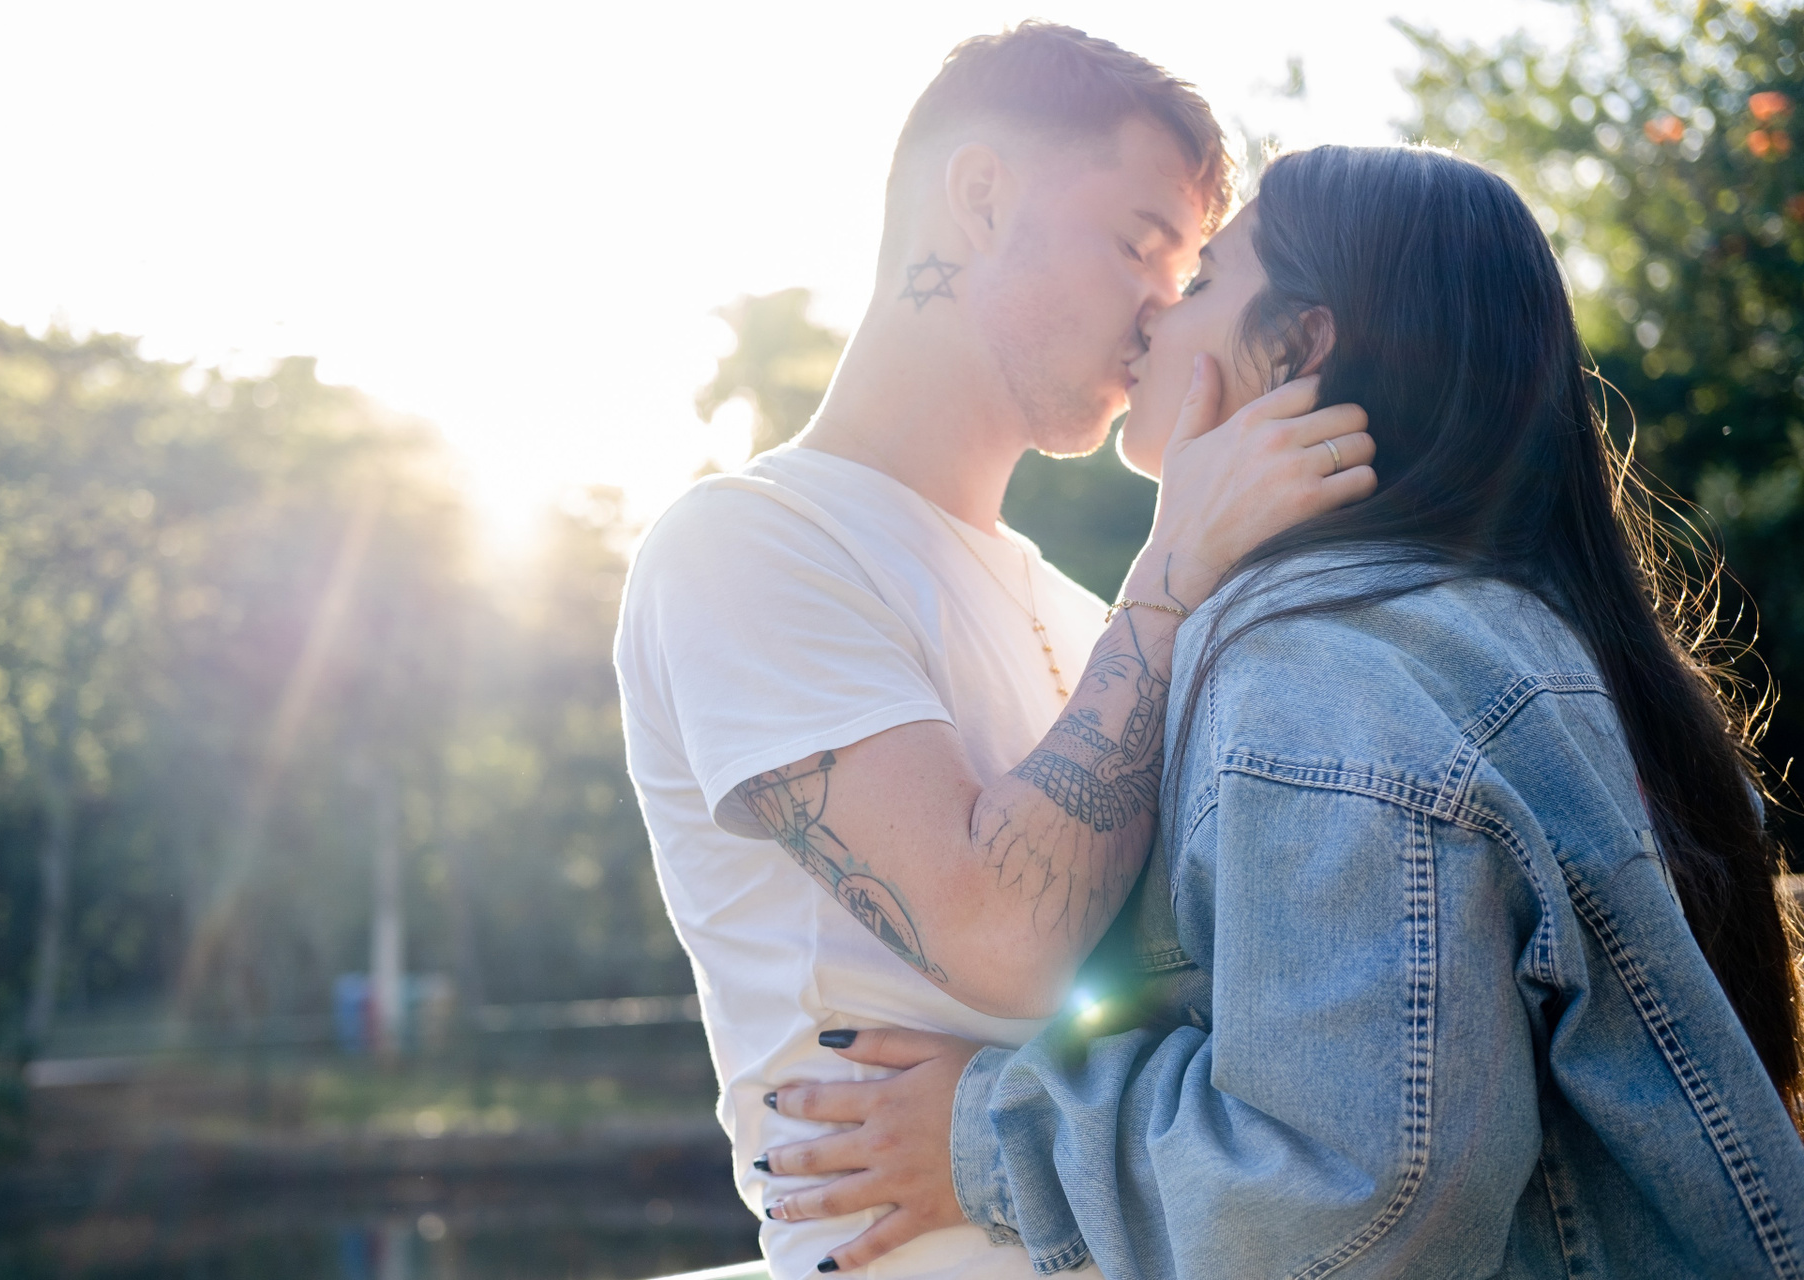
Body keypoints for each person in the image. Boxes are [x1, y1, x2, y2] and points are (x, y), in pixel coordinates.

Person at [753, 146, 1804, 1278]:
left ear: (1301, 349)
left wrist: (989, 1133)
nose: (1157, 308)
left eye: (1201, 276)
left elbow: (1343, 1195)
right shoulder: (1503, 626)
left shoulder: (1318, 664)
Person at [613, 25, 1375, 1280]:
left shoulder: (1084, 610)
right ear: (978, 197)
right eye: (1137, 241)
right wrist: (1178, 565)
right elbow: (1006, 938)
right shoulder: (747, 545)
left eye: (1187, 270)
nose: (1160, 307)